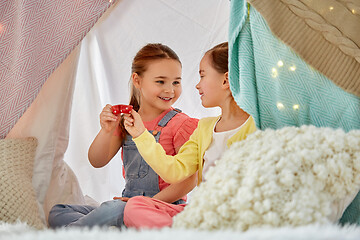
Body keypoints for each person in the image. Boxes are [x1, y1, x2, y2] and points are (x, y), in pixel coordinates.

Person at [47, 43, 199, 229]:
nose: (170, 90)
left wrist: (144, 205)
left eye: (176, 82)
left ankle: (78, 231)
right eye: (160, 81)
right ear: (137, 80)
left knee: (113, 210)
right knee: (58, 211)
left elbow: (190, 179)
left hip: (162, 207)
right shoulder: (128, 121)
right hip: (126, 204)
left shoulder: (182, 124)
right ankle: (106, 226)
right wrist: (107, 130)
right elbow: (96, 160)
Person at [122, 42, 257, 229]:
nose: (197, 85)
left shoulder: (257, 127)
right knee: (136, 206)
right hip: (203, 215)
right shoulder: (204, 128)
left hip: (237, 217)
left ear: (225, 81)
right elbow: (174, 170)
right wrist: (141, 135)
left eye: (202, 75)